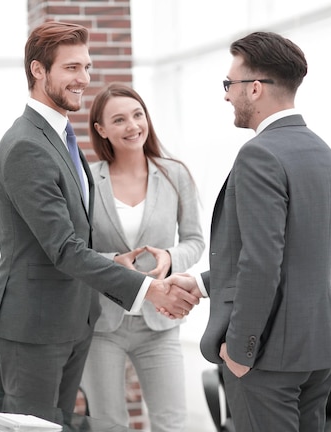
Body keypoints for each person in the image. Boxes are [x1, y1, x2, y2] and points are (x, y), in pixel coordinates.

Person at [0, 21, 199, 414]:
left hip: (74, 320)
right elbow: (64, 249)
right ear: (38, 70)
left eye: (86, 67)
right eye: (71, 68)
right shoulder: (26, 146)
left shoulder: (61, 138)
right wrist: (150, 289)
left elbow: (77, 239)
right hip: (35, 326)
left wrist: (115, 263)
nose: (84, 79)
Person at [165, 32, 331, 432]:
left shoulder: (259, 153)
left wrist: (241, 350)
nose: (226, 95)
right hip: (317, 350)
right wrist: (202, 283)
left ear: (255, 88)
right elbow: (295, 253)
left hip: (267, 356)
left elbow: (263, 262)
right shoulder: (322, 151)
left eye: (230, 84)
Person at [79, 83, 204, 431]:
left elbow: (195, 240)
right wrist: (112, 262)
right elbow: (78, 251)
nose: (133, 125)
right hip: (104, 323)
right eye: (119, 119)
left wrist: (169, 255)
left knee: (171, 423)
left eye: (138, 115)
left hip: (159, 323)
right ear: (101, 129)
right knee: (108, 424)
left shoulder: (174, 173)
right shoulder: (88, 181)